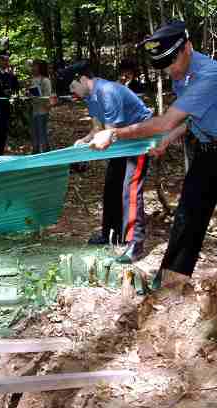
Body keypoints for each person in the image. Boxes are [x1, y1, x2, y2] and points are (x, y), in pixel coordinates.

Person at [89, 21, 217, 286]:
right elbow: (189, 118)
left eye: (172, 62)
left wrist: (114, 133)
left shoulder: (209, 76)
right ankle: (171, 279)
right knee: (187, 215)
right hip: (209, 149)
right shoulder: (185, 73)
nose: (170, 70)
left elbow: (164, 121)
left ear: (188, 48)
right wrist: (168, 139)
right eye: (164, 65)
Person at [66, 61, 153, 264]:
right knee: (112, 186)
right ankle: (111, 233)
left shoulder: (107, 91)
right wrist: (83, 142)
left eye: (72, 86)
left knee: (129, 190)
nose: (72, 92)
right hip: (120, 140)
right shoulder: (90, 97)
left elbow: (108, 135)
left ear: (82, 79)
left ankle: (135, 244)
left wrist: (88, 154)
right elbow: (98, 129)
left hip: (139, 139)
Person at [29, 59, 57, 153]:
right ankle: (35, 153)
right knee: (34, 134)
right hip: (34, 111)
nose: (33, 68)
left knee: (42, 134)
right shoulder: (32, 79)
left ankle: (45, 154)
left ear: (40, 68)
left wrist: (38, 96)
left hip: (42, 111)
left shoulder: (45, 80)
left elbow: (48, 97)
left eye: (35, 66)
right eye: (32, 66)